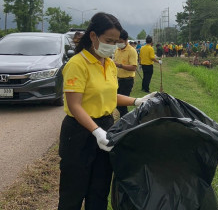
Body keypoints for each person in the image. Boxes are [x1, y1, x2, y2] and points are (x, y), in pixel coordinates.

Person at [58, 12, 155, 210]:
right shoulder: (77, 64)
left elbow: (110, 96)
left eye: (115, 41)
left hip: (105, 127)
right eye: (108, 41)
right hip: (78, 132)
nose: (112, 46)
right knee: (73, 192)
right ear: (93, 36)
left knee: (99, 190)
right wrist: (95, 131)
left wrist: (137, 101)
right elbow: (75, 105)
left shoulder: (109, 64)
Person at [114, 29, 138, 117]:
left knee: (122, 105)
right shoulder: (117, 50)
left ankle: (127, 121)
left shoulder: (132, 51)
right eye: (117, 41)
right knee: (116, 102)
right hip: (117, 80)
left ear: (126, 40)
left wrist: (120, 65)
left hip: (127, 81)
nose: (118, 43)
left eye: (120, 41)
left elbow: (133, 67)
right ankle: (124, 120)